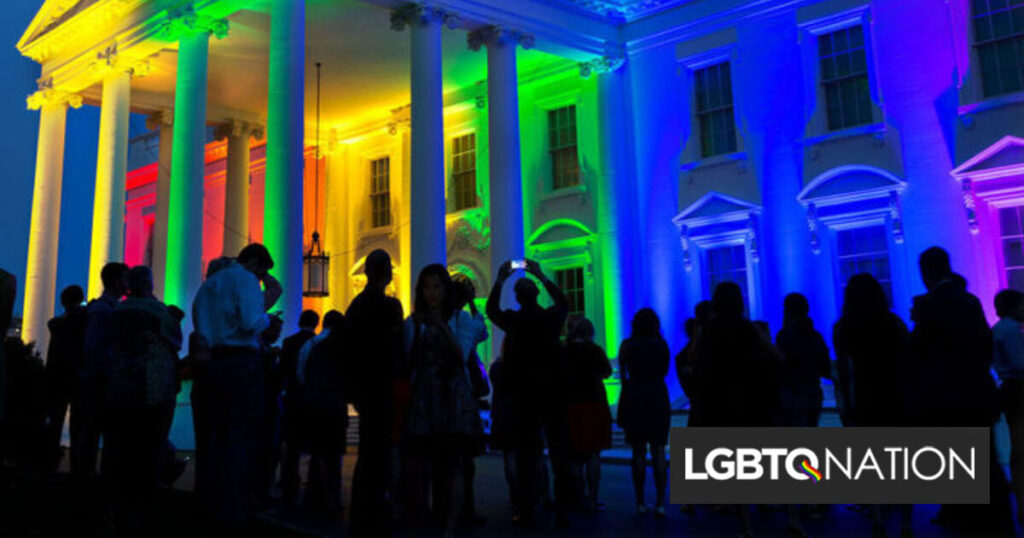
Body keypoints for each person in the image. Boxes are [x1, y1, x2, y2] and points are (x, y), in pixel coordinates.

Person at [910, 247, 1013, 533]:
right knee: (987, 465)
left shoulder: (929, 305)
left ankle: (965, 521)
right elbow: (984, 343)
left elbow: (919, 354)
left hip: (945, 399)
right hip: (976, 393)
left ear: (925, 273)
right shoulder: (969, 300)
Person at [191, 244, 280, 529]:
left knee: (214, 437)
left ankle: (210, 506)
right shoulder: (245, 279)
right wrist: (268, 319)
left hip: (212, 365)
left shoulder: (209, 285)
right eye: (262, 271)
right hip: (241, 363)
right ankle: (234, 509)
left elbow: (199, 321)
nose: (261, 277)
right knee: (241, 437)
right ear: (254, 263)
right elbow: (252, 321)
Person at [486, 259, 571, 528]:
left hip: (524, 396)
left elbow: (491, 310)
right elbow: (564, 302)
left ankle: (526, 510)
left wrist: (500, 279)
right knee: (558, 455)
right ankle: (562, 511)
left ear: (518, 297)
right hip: (552, 394)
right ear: (536, 293)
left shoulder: (515, 321)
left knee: (525, 456)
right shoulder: (550, 318)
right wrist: (542, 275)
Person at [694, 281, 782, 536]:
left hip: (722, 401)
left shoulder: (708, 331)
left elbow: (698, 364)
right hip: (751, 397)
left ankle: (746, 527)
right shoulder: (747, 328)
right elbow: (776, 356)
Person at [403, 264, 483, 537]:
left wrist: (440, 326)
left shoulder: (461, 319)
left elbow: (461, 354)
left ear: (445, 289)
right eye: (427, 287)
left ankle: (450, 525)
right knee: (418, 463)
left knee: (454, 463)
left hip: (453, 396)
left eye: (437, 286)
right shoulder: (413, 323)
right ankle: (422, 518)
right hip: (425, 395)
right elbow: (409, 359)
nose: (432, 293)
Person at [105, 266, 182, 534]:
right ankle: (145, 501)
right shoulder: (157, 311)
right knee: (151, 444)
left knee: (124, 444)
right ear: (149, 284)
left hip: (120, 385)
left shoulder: (117, 310)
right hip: (151, 386)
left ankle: (119, 503)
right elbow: (175, 340)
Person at [346, 249, 404, 536]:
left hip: (362, 388)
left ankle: (361, 512)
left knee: (368, 453)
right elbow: (397, 348)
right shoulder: (390, 307)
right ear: (388, 274)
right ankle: (377, 512)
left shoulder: (355, 306)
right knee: (380, 453)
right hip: (382, 386)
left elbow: (348, 348)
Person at [75, 262, 128, 479]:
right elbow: (92, 348)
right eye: (125, 278)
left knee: (104, 433)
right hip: (99, 382)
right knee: (93, 431)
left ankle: (97, 477)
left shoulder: (109, 308)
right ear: (115, 281)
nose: (128, 283)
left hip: (103, 380)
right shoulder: (102, 310)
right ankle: (86, 477)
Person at [617, 308, 671, 517]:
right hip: (657, 394)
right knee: (658, 451)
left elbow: (623, 373)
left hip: (635, 395)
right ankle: (660, 502)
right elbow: (664, 371)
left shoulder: (627, 345)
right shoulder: (661, 345)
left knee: (638, 452)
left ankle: (640, 501)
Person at [450, 274, 489, 527]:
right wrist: (473, 304)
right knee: (464, 461)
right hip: (462, 394)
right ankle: (463, 511)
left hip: (448, 393)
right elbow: (482, 332)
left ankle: (452, 510)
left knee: (454, 460)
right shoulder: (464, 320)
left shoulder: (443, 319)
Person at [302, 311, 348, 514]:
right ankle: (332, 496)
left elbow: (301, 373)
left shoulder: (312, 345)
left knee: (318, 453)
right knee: (334, 455)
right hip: (335, 406)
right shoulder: (343, 348)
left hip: (314, 405)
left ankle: (316, 496)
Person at [564, 317, 612, 513]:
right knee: (593, 455)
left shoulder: (565, 352)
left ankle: (579, 497)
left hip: (571, 406)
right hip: (594, 404)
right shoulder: (595, 351)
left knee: (575, 456)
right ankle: (593, 498)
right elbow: (607, 372)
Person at [279, 309, 320, 507]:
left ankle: (289, 481)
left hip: (292, 399)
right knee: (315, 445)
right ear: (316, 323)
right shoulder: (317, 343)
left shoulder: (288, 342)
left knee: (291, 445)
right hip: (311, 399)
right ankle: (313, 485)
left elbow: (283, 370)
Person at [44, 285, 87, 469]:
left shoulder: (56, 324)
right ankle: (77, 467)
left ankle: (49, 464)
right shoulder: (82, 323)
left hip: (58, 380)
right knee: (78, 427)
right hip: (77, 380)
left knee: (55, 423)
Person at [993, 289, 1024, 526]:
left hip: (1010, 390)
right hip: (1020, 389)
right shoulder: (1012, 329)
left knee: (1018, 447)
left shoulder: (997, 329)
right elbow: (1020, 363)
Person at [776, 293, 829, 429]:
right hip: (813, 391)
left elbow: (780, 364)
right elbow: (825, 366)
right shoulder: (815, 336)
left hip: (792, 393)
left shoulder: (783, 336)